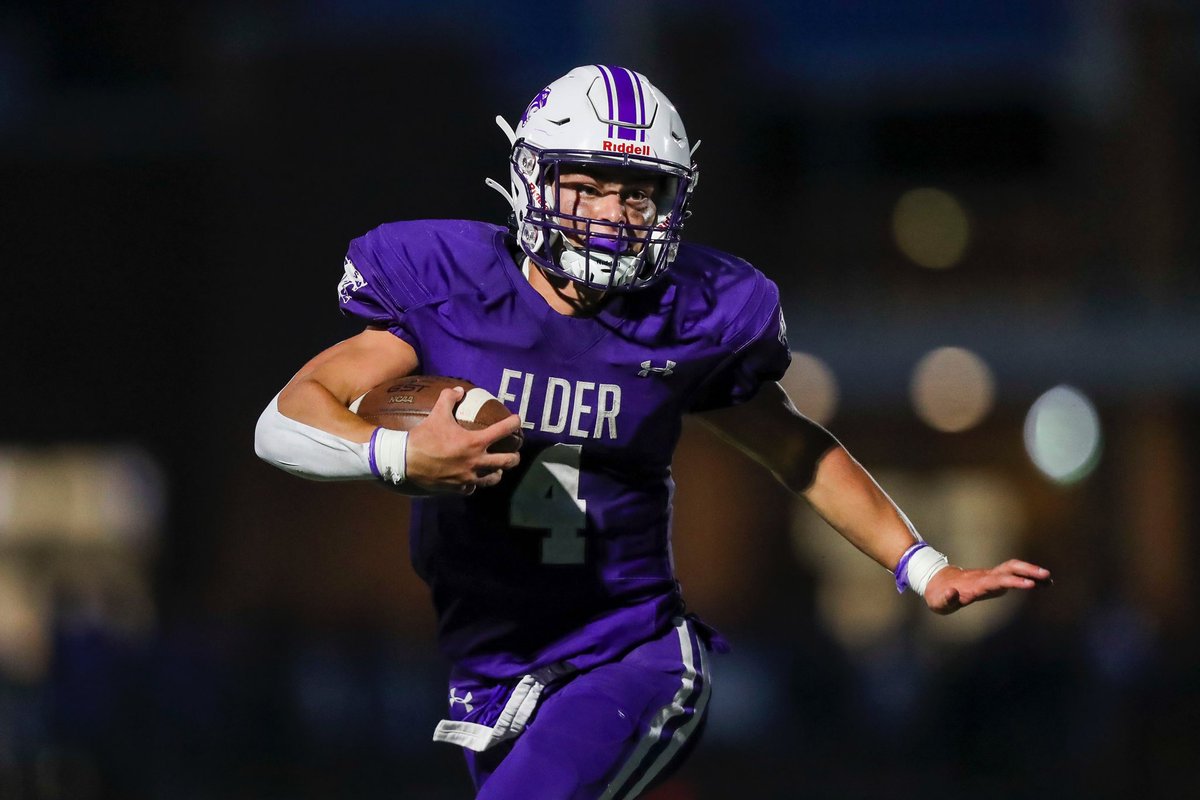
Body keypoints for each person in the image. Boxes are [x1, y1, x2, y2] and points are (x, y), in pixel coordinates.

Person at [254, 65, 1051, 799]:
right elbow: (285, 416)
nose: (611, 214)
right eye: (587, 186)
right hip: (491, 660)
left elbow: (793, 446)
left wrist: (921, 565)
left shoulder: (694, 315)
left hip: (629, 654)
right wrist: (395, 453)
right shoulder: (451, 287)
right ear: (533, 178)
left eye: (637, 194)